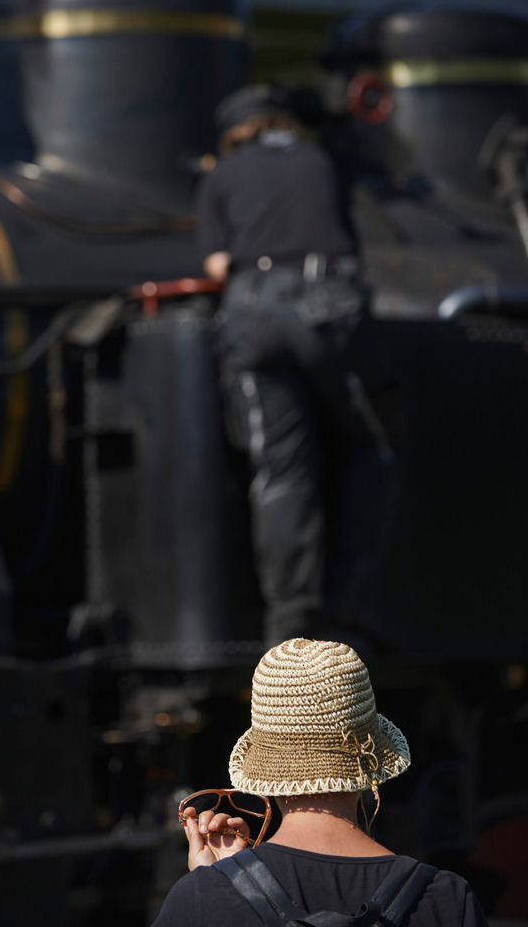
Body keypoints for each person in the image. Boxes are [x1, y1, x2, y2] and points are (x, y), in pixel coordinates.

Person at [196, 85, 392, 647]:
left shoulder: (223, 173)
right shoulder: (318, 160)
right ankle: (351, 604)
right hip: (325, 305)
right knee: (372, 447)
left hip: (254, 313)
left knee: (282, 470)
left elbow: (216, 265)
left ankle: (290, 621)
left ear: (235, 133)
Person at [151, 638, 489, 926]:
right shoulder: (445, 898)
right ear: (368, 763)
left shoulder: (201, 896)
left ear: (267, 772)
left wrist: (218, 885)